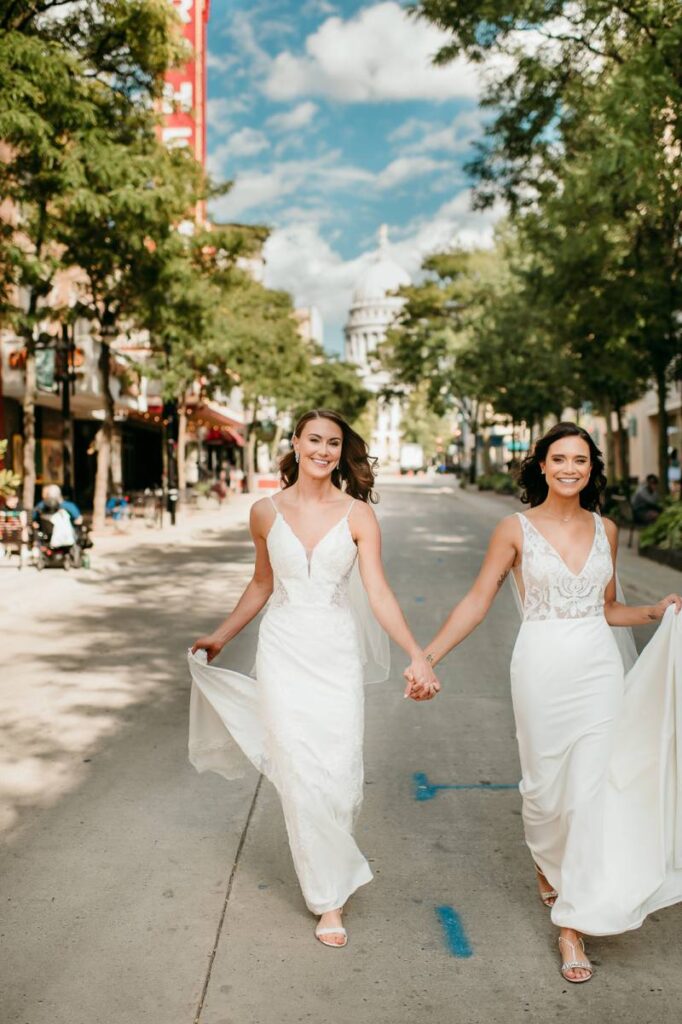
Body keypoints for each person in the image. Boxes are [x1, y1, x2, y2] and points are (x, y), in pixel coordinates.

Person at [406, 422, 682, 984]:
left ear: (591, 468)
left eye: (580, 460)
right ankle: (546, 858)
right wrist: (427, 657)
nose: (570, 469)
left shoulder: (605, 528)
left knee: (588, 793)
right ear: (542, 465)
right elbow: (478, 600)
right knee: (543, 790)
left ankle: (572, 925)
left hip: (598, 671)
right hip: (540, 668)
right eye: (559, 459)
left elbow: (607, 607)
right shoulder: (515, 529)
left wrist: (653, 612)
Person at [189, 409, 438, 948]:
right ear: (296, 443)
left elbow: (378, 592)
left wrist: (417, 653)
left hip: (335, 653)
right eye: (315, 440)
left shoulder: (358, 515)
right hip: (282, 650)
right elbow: (261, 584)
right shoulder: (264, 512)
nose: (324, 451)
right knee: (299, 770)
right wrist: (221, 636)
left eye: (334, 443)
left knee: (339, 773)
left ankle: (334, 862)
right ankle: (329, 899)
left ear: (341, 451)